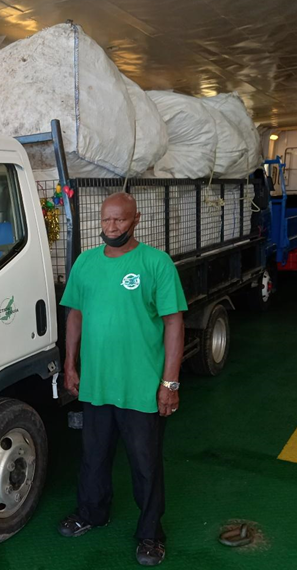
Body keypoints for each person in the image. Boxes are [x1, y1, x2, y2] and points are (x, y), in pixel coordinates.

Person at [57, 192, 187, 567]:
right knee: (93, 457)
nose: (111, 227)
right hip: (97, 384)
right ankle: (91, 513)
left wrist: (170, 382)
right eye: (106, 220)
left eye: (119, 220)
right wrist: (70, 363)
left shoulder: (156, 263)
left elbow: (173, 323)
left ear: (136, 220)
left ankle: (150, 534)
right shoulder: (85, 263)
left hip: (141, 386)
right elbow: (75, 315)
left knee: (145, 464)